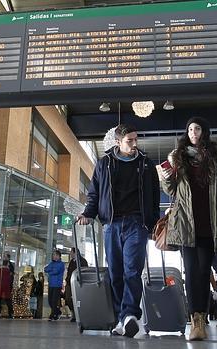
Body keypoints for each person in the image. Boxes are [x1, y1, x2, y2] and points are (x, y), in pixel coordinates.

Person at [159, 117, 217, 341]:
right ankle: (196, 321)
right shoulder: (178, 157)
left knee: (204, 273)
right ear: (187, 132)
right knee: (192, 272)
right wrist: (166, 178)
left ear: (205, 131)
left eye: (198, 128)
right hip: (186, 224)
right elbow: (172, 190)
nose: (194, 132)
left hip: (210, 224)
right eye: (190, 129)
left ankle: (201, 317)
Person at [78, 123, 160, 338]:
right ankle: (121, 319)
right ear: (117, 142)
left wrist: (153, 224)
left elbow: (154, 196)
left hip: (137, 224)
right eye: (129, 141)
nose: (134, 144)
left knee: (132, 270)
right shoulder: (104, 164)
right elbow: (94, 193)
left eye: (135, 139)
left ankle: (130, 314)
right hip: (112, 225)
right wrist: (88, 213)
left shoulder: (146, 164)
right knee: (115, 274)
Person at [65, 247, 88, 322]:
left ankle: (79, 315)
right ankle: (73, 313)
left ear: (75, 253)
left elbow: (85, 271)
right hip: (69, 283)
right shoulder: (71, 261)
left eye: (71, 252)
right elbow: (69, 272)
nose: (70, 254)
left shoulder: (83, 261)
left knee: (78, 299)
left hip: (78, 283)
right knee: (68, 298)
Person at [44, 250, 65, 320]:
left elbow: (56, 271)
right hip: (51, 284)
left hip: (57, 285)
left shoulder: (61, 264)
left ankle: (52, 315)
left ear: (59, 256)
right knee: (50, 300)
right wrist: (51, 269)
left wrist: (50, 271)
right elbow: (45, 269)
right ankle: (58, 312)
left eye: (55, 255)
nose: (54, 256)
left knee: (54, 301)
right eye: (53, 255)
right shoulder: (52, 263)